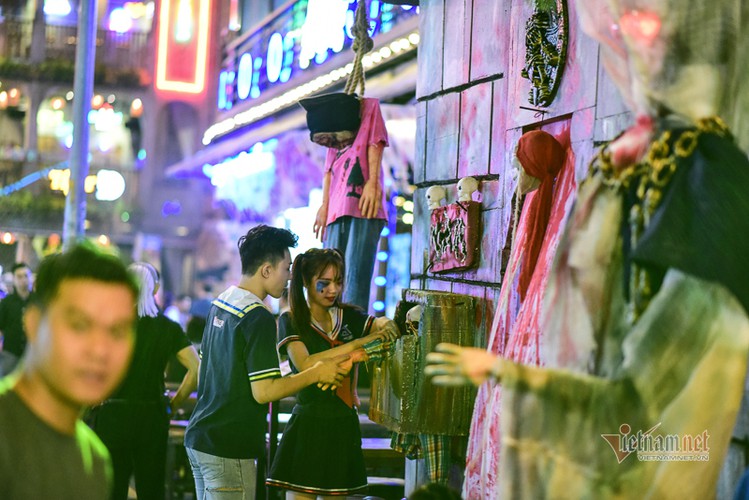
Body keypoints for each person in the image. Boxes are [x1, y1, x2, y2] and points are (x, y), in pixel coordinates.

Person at [184, 225, 351, 500]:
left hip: (201, 437)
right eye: (286, 269)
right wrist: (315, 373)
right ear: (266, 270)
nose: (288, 278)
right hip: (229, 445)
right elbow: (264, 391)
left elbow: (208, 370)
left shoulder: (221, 303)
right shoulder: (257, 316)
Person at [0, 244, 138, 499]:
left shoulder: (94, 459)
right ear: (33, 324)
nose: (100, 350)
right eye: (79, 325)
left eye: (117, 331)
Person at [266, 248, 399, 498]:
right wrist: (355, 346)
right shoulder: (291, 319)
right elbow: (306, 365)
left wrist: (387, 323)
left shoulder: (348, 315)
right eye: (324, 283)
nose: (333, 290)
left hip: (343, 422)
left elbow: (378, 324)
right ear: (306, 282)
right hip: (309, 422)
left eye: (338, 282)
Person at [89, 262, 200, 500]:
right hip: (151, 416)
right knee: (151, 489)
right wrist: (175, 403)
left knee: (110, 488)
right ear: (155, 289)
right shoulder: (168, 328)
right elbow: (196, 369)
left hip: (112, 413)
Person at [311, 96, 389, 310]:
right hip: (336, 210)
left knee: (355, 279)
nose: (335, 146)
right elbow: (328, 170)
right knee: (328, 276)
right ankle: (328, 327)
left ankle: (351, 333)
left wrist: (373, 182)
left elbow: (376, 142)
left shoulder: (368, 108)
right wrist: (325, 204)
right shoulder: (332, 123)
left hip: (362, 206)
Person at [0, 262, 34, 373]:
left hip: (34, 355)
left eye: (26, 275)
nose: (23, 279)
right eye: (19, 276)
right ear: (14, 279)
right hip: (10, 353)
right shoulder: (6, 302)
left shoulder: (39, 301)